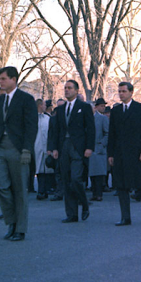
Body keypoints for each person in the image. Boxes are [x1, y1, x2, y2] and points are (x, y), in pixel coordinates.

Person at [0, 66, 38, 241]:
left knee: (20, 190)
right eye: (0, 79)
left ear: (13, 79)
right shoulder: (0, 101)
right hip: (0, 147)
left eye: (3, 79)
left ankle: (20, 229)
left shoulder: (26, 99)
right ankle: (11, 220)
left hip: (18, 148)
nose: (1, 82)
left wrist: (27, 149)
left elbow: (31, 126)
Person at [107, 82, 141, 226]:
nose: (121, 94)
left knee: (140, 184)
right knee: (121, 186)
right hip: (120, 153)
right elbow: (112, 135)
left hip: (137, 153)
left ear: (131, 92)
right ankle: (125, 217)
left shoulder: (140, 109)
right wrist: (110, 154)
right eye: (119, 91)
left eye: (123, 91)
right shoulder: (116, 111)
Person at [49, 80, 95, 223]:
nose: (67, 90)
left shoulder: (84, 107)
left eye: (69, 88)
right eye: (65, 88)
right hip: (64, 147)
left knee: (76, 179)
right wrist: (54, 148)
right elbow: (56, 130)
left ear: (76, 90)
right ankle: (72, 214)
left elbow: (91, 129)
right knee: (66, 180)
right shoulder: (61, 109)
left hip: (78, 148)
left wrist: (89, 147)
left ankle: (84, 204)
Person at [89, 98, 109, 201]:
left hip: (99, 148)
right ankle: (94, 193)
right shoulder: (87, 118)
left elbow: (107, 133)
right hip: (89, 149)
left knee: (99, 173)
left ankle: (99, 193)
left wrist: (102, 144)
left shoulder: (102, 118)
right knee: (92, 173)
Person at [34, 99, 52, 201]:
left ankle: (46, 190)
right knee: (39, 169)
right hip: (37, 146)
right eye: (44, 105)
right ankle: (41, 190)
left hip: (46, 146)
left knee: (47, 167)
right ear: (40, 105)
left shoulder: (47, 118)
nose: (45, 106)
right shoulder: (33, 118)